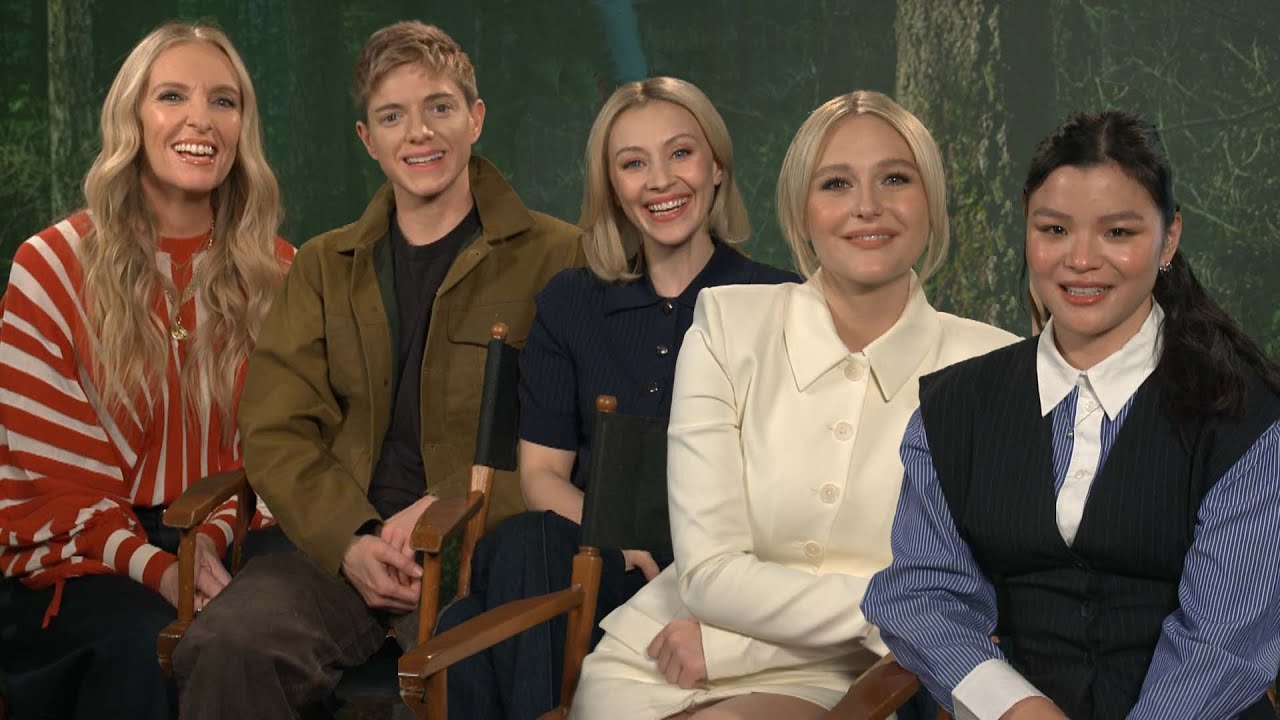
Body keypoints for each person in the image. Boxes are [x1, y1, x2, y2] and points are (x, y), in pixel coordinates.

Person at [171, 20, 583, 718]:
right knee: (229, 645)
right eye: (393, 116)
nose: (419, 133)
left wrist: (454, 503)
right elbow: (275, 430)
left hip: (483, 555)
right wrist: (350, 539)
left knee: (470, 678)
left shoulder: (558, 257)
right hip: (339, 554)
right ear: (368, 138)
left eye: (440, 107)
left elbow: (575, 445)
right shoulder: (325, 266)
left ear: (476, 118)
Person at [568, 90, 1017, 720]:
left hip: (855, 679)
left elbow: (977, 601)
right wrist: (906, 609)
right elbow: (709, 575)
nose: (868, 206)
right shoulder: (726, 326)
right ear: (800, 211)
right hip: (661, 658)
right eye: (836, 183)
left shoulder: (995, 367)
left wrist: (740, 649)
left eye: (895, 178)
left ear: (931, 201)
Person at [861, 111, 1280, 720]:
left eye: (1118, 232)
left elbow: (1225, 644)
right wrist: (1013, 706)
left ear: (1168, 239)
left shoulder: (1246, 415)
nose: (1081, 259)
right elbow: (922, 595)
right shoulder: (954, 408)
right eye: (1054, 229)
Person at [435, 76, 799, 719]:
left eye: (680, 153)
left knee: (468, 626)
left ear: (717, 166)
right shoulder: (570, 302)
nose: (660, 180)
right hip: (592, 556)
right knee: (526, 547)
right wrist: (619, 539)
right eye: (633, 164)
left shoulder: (780, 302)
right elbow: (542, 476)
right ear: (611, 186)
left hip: (720, 580)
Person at [0, 21, 292, 720]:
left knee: (257, 640)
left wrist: (205, 547)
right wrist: (165, 571)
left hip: (232, 537)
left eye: (224, 101)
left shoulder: (281, 274)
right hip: (83, 557)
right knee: (145, 648)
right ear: (132, 117)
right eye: (172, 96)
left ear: (243, 127)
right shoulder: (49, 269)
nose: (201, 120)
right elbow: (60, 486)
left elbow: (278, 451)